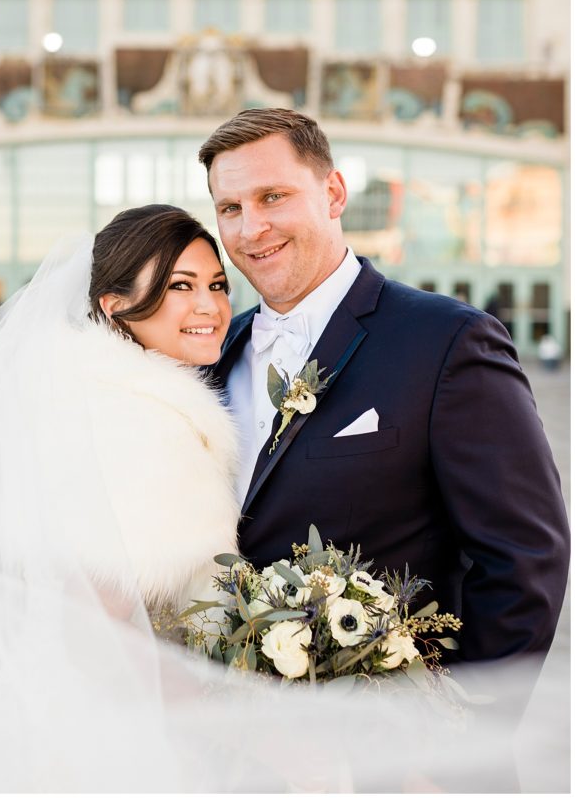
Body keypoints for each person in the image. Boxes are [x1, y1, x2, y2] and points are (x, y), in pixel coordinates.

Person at [198, 108, 569, 665]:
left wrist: (462, 720)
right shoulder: (212, 354)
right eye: (231, 208)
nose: (250, 229)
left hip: (391, 737)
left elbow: (523, 554)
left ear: (334, 193)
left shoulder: (447, 340)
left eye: (273, 196)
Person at [0, 205, 240, 791]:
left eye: (216, 285)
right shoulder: (140, 422)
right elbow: (92, 628)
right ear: (114, 305)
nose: (209, 306)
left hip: (66, 707)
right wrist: (236, 719)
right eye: (179, 287)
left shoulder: (89, 395)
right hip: (113, 730)